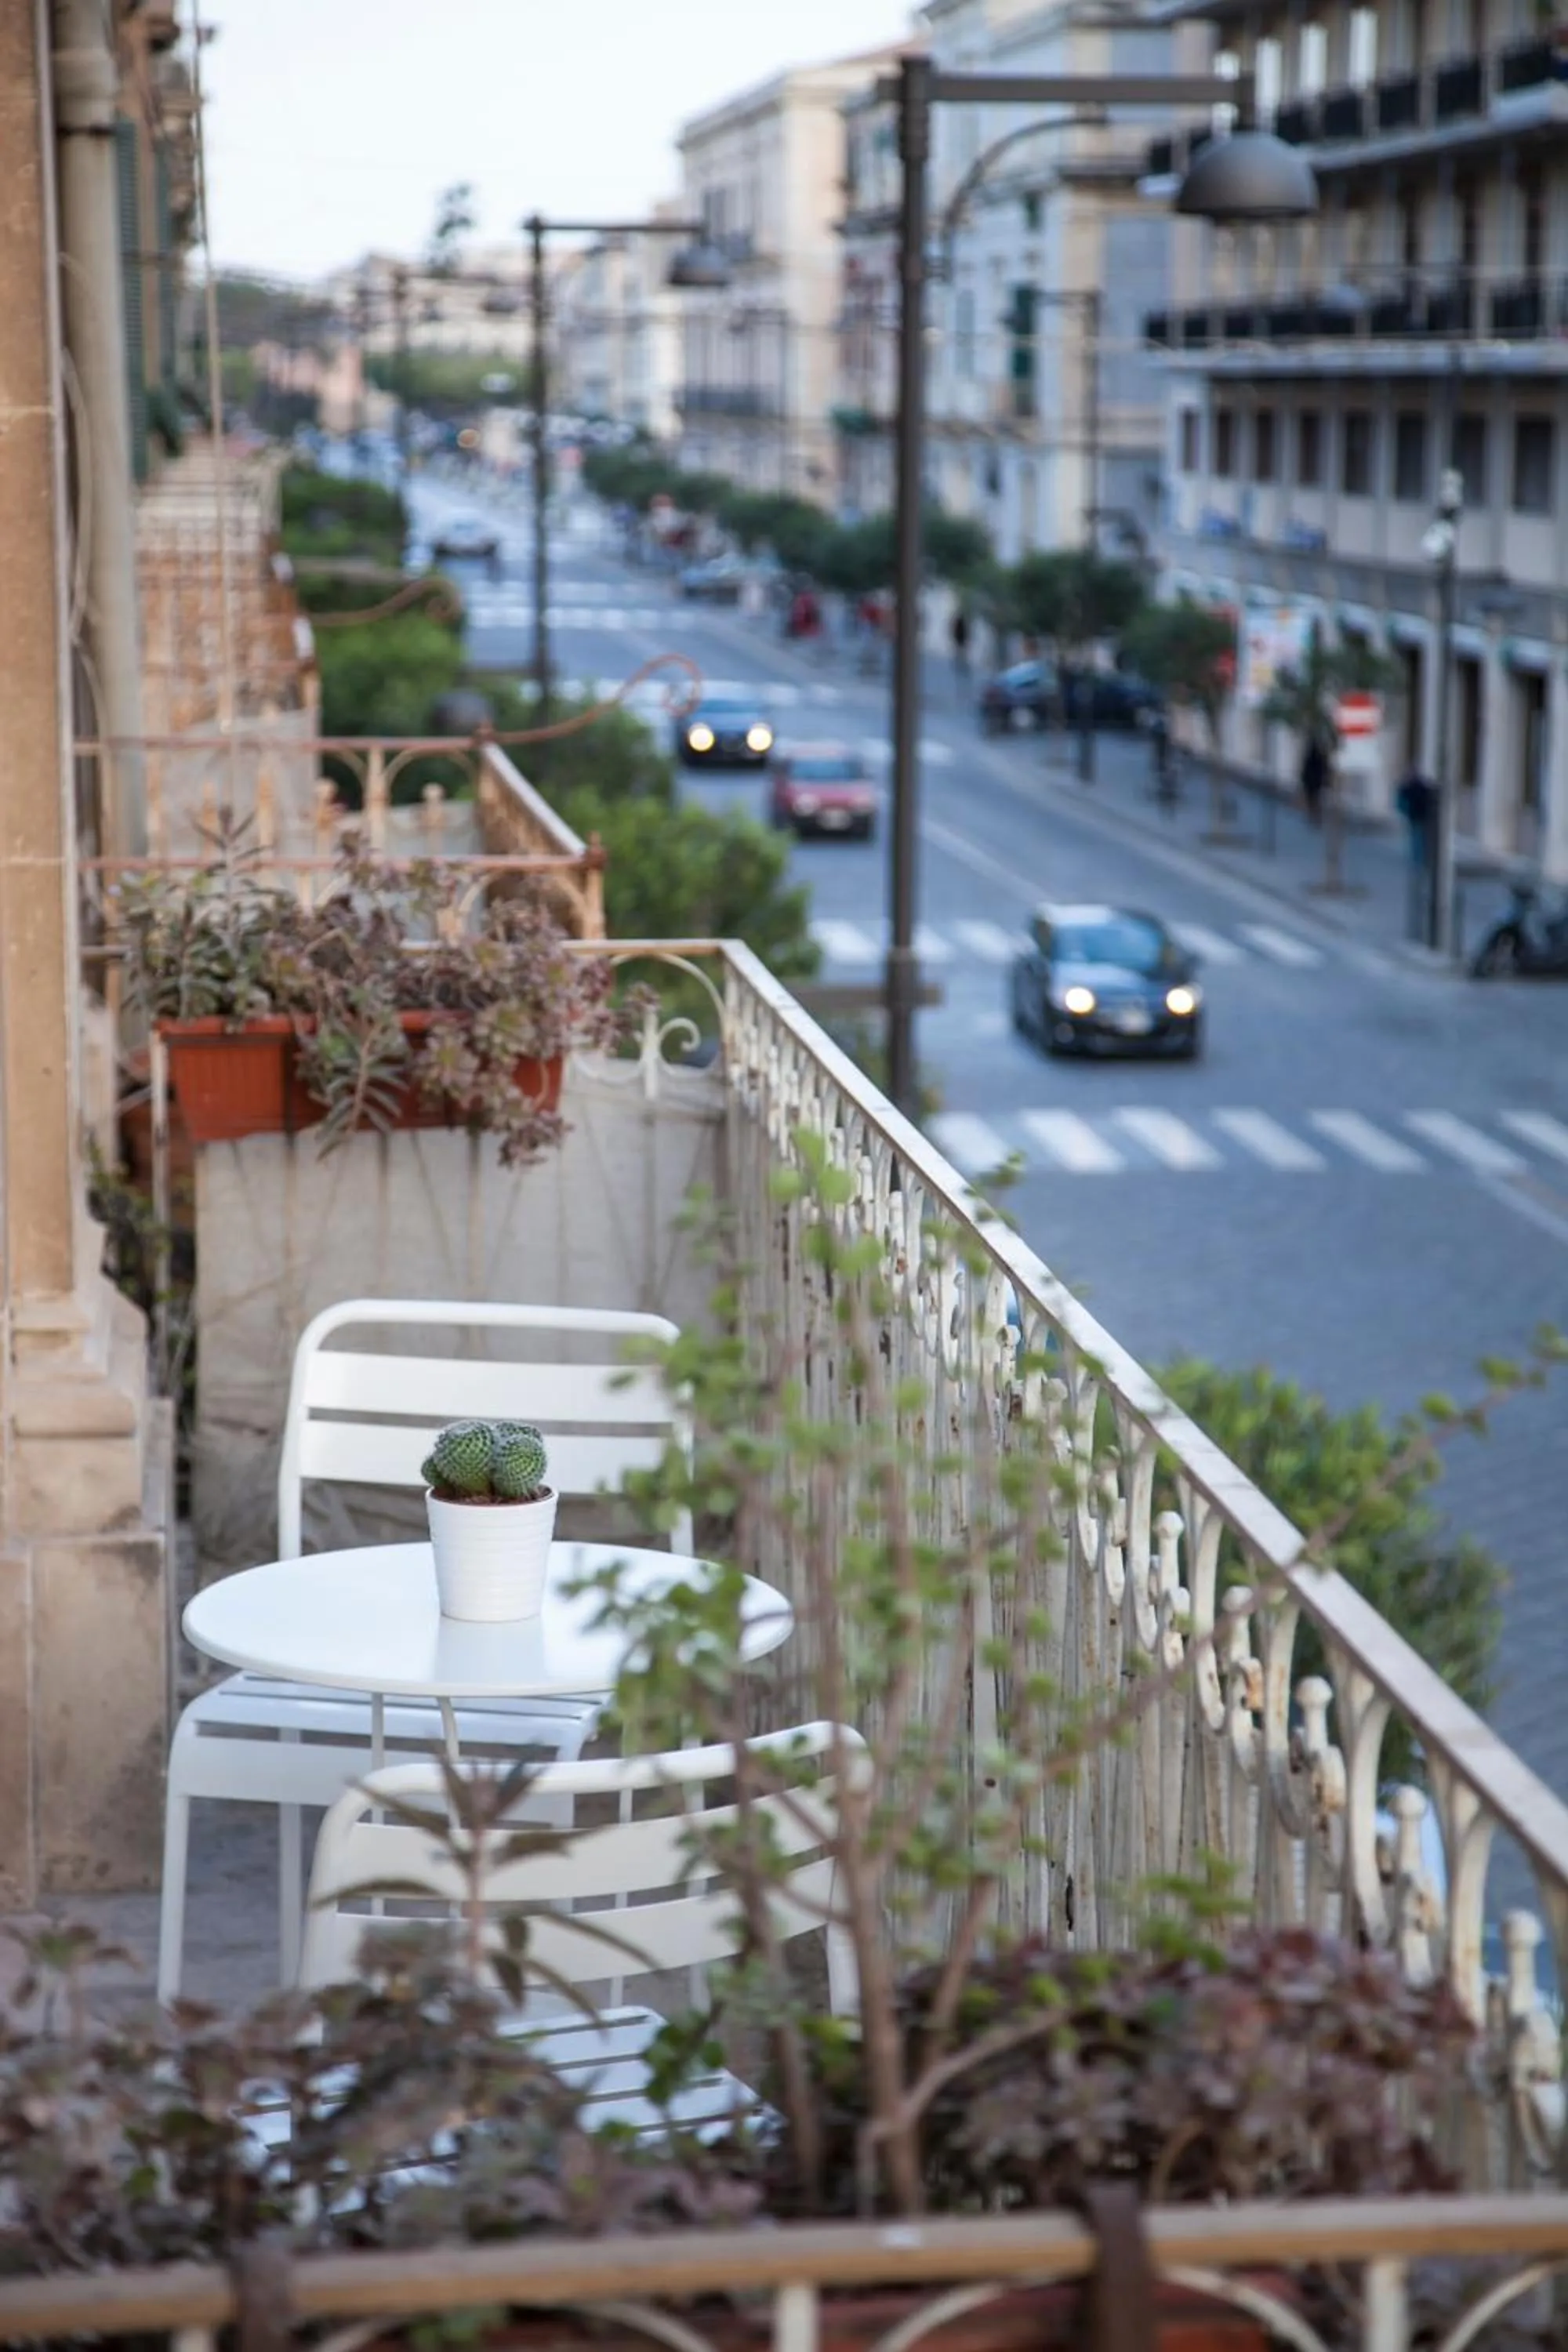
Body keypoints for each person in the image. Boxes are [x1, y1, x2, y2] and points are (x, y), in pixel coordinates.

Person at [1299, 731, 1330, 828]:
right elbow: (1324, 768)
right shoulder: (1320, 756)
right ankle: (1315, 816)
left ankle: (1314, 816)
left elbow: (1306, 768)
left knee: (1313, 799)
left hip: (1312, 782)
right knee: (1316, 799)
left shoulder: (1312, 756)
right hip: (1316, 781)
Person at [950, 605, 971, 685]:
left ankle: (960, 665)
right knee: (961, 654)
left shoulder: (959, 622)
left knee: (960, 654)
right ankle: (960, 665)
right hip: (960, 640)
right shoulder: (961, 622)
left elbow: (955, 631)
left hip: (960, 640)